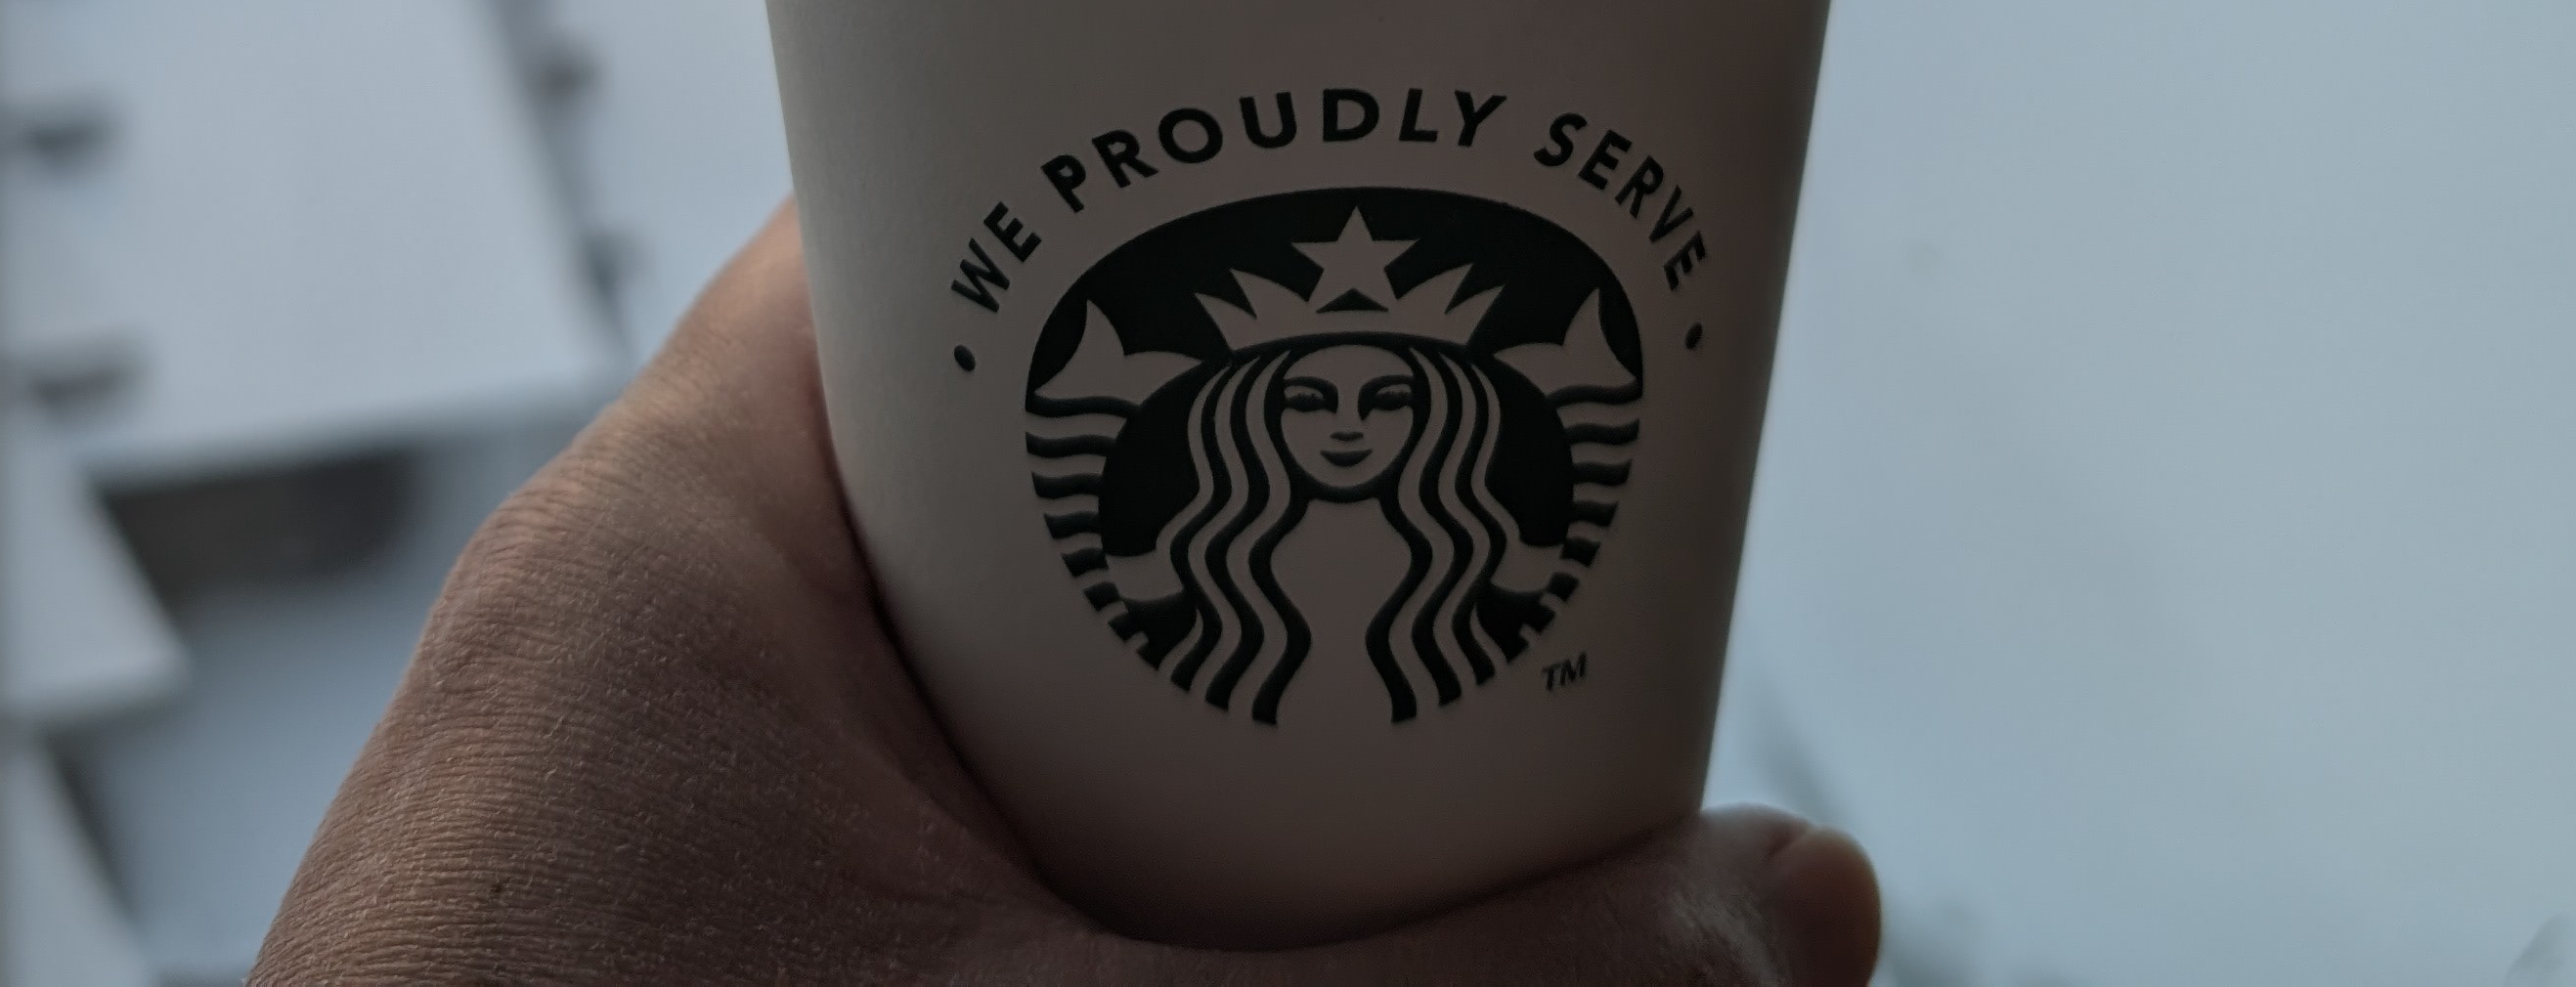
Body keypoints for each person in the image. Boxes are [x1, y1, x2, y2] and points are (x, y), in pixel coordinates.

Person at [256, 210, 1885, 987]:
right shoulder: (1213, 573)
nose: (1343, 428)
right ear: (1237, 420)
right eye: (1305, 403)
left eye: (1385, 404)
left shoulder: (1464, 575)